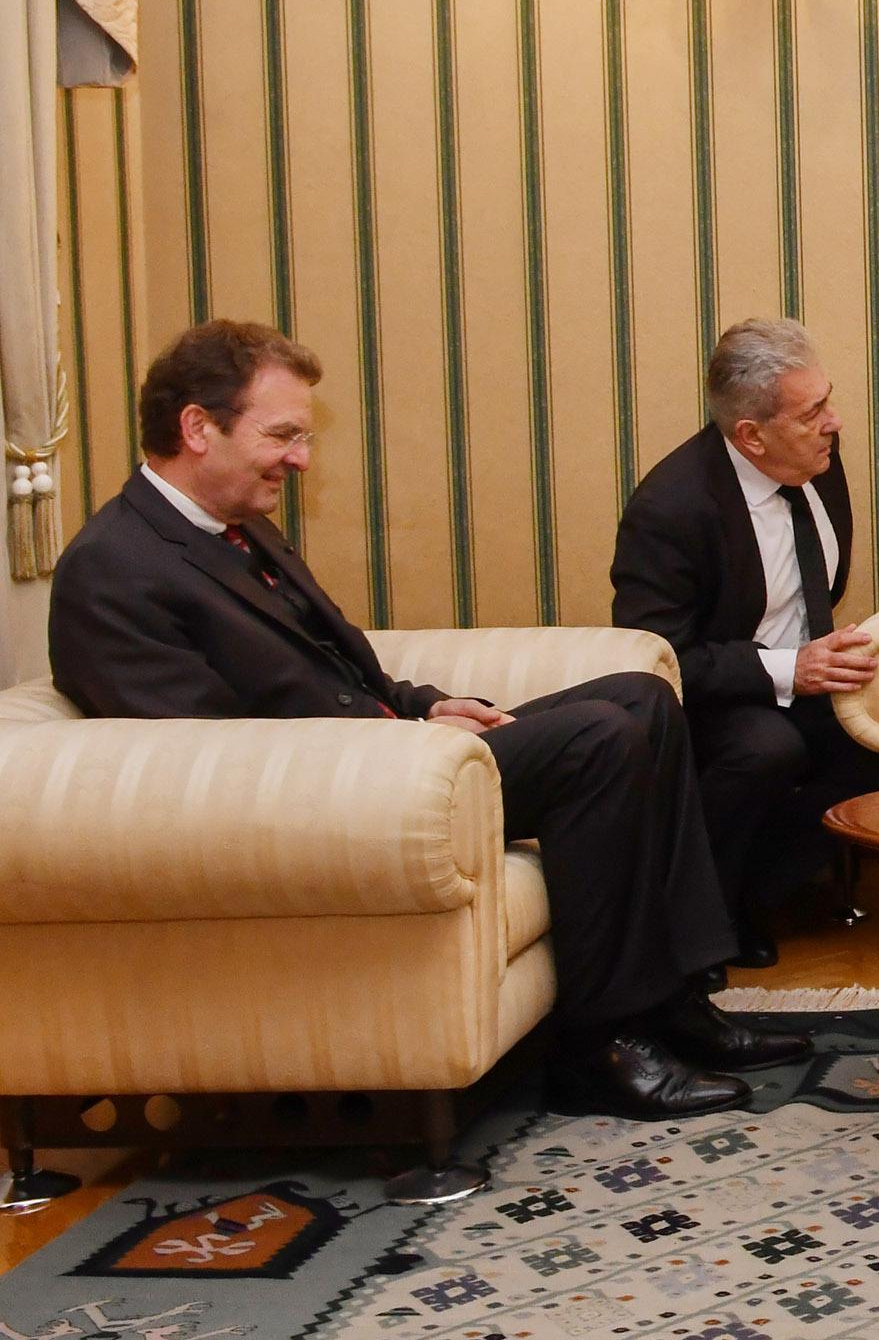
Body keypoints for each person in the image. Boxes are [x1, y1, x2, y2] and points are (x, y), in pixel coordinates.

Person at [48, 321, 805, 1120]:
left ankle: (673, 1002)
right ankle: (600, 1045)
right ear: (198, 427)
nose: (301, 459)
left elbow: (335, 671)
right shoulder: (115, 569)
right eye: (283, 436)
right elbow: (208, 763)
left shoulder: (237, 527)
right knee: (598, 739)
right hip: (341, 798)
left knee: (642, 698)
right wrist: (405, 747)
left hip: (388, 757)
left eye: (302, 438)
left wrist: (425, 705)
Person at [612, 318, 879, 969]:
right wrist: (788, 669)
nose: (834, 423)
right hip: (715, 693)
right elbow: (659, 657)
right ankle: (703, 922)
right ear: (751, 435)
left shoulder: (815, 459)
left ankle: (755, 893)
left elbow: (818, 585)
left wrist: (816, 663)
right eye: (812, 413)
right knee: (767, 750)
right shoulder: (672, 508)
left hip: (800, 675)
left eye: (827, 401)